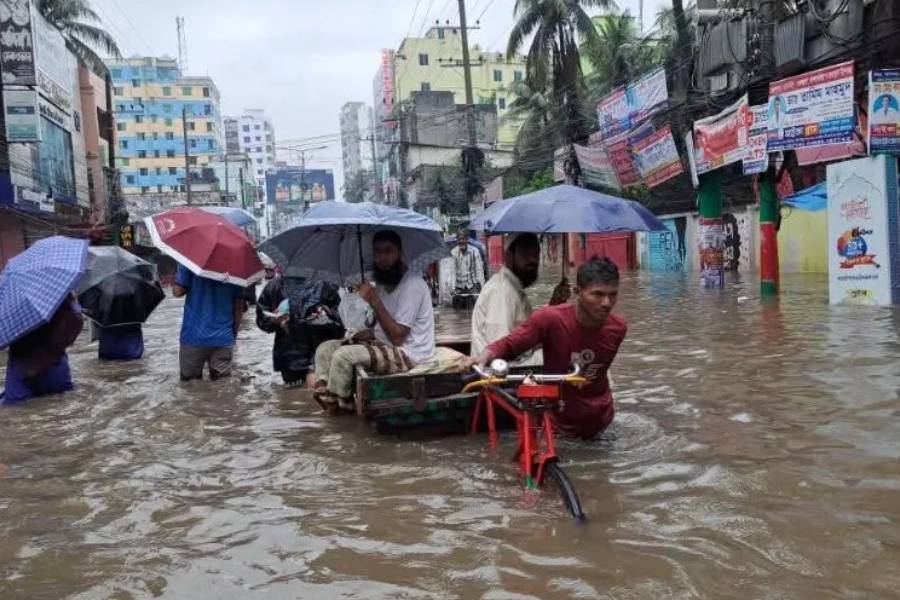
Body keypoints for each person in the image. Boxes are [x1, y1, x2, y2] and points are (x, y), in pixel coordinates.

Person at [471, 257, 627, 440]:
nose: (607, 303)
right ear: (577, 292)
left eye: (612, 295)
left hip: (601, 421)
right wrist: (485, 356)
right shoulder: (549, 319)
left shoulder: (618, 328)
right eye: (598, 295)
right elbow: (511, 343)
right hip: (557, 424)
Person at [313, 230, 434, 411]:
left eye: (388, 251)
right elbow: (384, 327)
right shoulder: (385, 284)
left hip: (409, 354)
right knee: (325, 349)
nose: (382, 258)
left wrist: (374, 300)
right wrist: (364, 333)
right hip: (386, 344)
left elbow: (398, 337)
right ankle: (326, 393)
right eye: (378, 252)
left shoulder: (413, 285)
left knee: (343, 356)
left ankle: (340, 408)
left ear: (400, 253)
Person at [257, 276, 343, 386]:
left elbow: (340, 320)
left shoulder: (325, 285)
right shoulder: (275, 286)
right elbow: (262, 318)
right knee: (296, 395)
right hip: (290, 357)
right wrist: (274, 320)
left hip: (317, 352)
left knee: (316, 391)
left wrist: (325, 312)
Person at [2, 293, 84, 405]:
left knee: (14, 410)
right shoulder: (61, 292)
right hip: (55, 365)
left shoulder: (9, 299)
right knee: (62, 408)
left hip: (22, 368)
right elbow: (77, 323)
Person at [470, 233, 541, 359]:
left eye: (536, 254)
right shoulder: (503, 291)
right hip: (497, 373)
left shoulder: (513, 288)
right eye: (525, 254)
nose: (533, 260)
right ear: (509, 256)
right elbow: (498, 348)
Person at [172, 264, 246, 381]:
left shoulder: (190, 262)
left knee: (190, 387)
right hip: (223, 337)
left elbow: (177, 292)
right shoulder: (235, 267)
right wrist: (234, 332)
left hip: (193, 336)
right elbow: (239, 306)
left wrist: (180, 275)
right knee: (222, 387)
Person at [451, 228, 485, 295]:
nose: (461, 241)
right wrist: (452, 288)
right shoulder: (453, 252)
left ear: (467, 239)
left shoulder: (475, 251)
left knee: (474, 304)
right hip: (459, 286)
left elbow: (479, 270)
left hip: (473, 285)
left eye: (463, 239)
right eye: (459, 239)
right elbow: (452, 271)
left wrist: (482, 286)